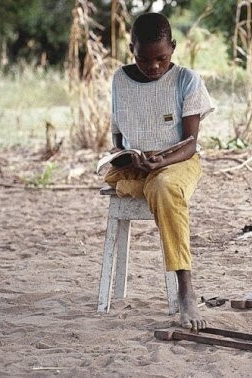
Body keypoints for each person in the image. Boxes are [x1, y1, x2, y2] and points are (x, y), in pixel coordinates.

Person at [103, 12, 214, 332]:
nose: (153, 67)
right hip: (138, 164)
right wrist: (122, 156)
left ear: (174, 49)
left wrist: (160, 162)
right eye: (143, 59)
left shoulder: (186, 80)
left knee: (165, 189)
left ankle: (186, 291)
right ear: (131, 49)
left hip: (177, 161)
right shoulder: (120, 80)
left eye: (162, 58)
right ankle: (151, 185)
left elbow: (190, 144)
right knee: (137, 182)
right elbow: (117, 135)